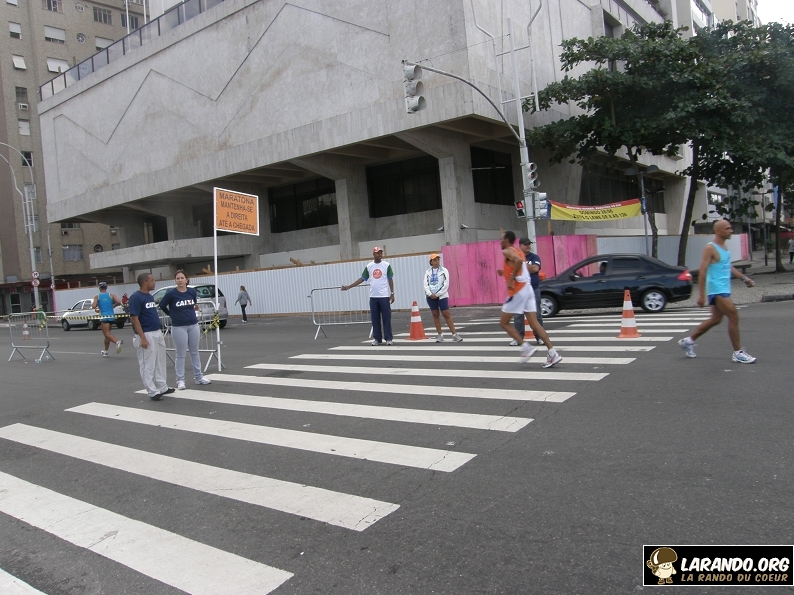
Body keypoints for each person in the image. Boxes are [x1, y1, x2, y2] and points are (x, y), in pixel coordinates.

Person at [678, 219, 756, 363]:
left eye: (730, 228)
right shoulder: (710, 248)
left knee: (716, 319)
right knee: (734, 316)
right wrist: (701, 295)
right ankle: (738, 353)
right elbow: (702, 271)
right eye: (727, 228)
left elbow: (728, 266)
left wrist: (744, 278)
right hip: (716, 289)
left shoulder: (724, 247)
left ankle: (688, 341)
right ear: (717, 231)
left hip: (724, 288)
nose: (731, 231)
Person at [497, 231, 561, 367]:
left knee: (503, 322)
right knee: (534, 323)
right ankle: (552, 352)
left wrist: (511, 279)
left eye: (501, 239)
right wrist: (505, 272)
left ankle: (526, 347)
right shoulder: (518, 251)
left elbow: (519, 262)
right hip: (528, 289)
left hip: (518, 291)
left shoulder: (507, 251)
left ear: (507, 240)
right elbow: (519, 265)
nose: (500, 241)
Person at [159, 270, 211, 390]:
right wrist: (171, 314)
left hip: (193, 325)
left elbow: (193, 303)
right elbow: (162, 305)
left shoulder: (191, 291)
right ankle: (180, 380)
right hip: (178, 327)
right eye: (178, 278)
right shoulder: (171, 294)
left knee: (195, 352)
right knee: (180, 354)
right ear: (175, 280)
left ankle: (199, 377)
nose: (180, 280)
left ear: (186, 279)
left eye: (182, 278)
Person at [129, 272, 174, 401]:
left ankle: (162, 386)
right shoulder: (136, 297)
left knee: (160, 361)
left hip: (156, 332)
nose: (154, 282)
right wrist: (142, 338)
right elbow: (135, 319)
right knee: (147, 364)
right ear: (144, 282)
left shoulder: (149, 296)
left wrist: (159, 333)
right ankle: (152, 391)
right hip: (146, 334)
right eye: (152, 280)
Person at [342, 247, 394, 345]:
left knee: (386, 318)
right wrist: (349, 286)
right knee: (375, 319)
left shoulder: (386, 265)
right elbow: (362, 278)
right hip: (373, 296)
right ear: (373, 254)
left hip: (384, 296)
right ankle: (377, 339)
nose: (379, 255)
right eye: (377, 253)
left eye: (381, 253)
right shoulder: (369, 266)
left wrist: (392, 293)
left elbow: (390, 279)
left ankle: (388, 338)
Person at [510, 238, 543, 346]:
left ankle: (540, 337)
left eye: (529, 244)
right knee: (518, 315)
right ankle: (518, 338)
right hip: (519, 290)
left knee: (537, 315)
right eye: (526, 244)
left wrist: (521, 267)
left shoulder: (534, 257)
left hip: (533, 289)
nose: (528, 246)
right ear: (520, 246)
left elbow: (535, 269)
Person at [423, 253, 462, 342]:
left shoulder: (444, 270)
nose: (437, 261)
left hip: (442, 296)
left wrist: (437, 294)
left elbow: (446, 284)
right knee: (435, 314)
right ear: (431, 262)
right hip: (430, 296)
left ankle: (454, 334)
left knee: (446, 313)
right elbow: (425, 284)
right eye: (434, 260)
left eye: (438, 260)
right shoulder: (428, 272)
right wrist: (430, 294)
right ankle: (440, 335)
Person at [91, 282, 123, 357]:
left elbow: (93, 306)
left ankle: (117, 342)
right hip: (111, 316)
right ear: (106, 288)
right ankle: (105, 351)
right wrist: (113, 306)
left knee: (106, 334)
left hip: (104, 316)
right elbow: (118, 302)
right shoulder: (111, 295)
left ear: (99, 288)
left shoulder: (97, 296)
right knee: (107, 335)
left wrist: (96, 305)